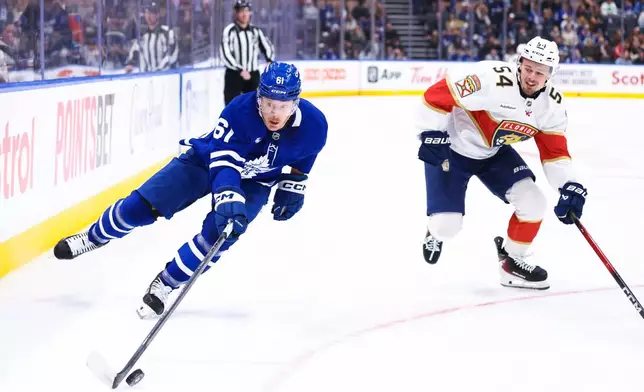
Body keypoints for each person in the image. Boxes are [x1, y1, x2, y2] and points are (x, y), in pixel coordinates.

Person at [53, 62, 328, 317]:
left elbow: (306, 154)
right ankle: (94, 236)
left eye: (281, 106)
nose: (273, 113)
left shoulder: (315, 125)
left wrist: (295, 184)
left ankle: (166, 283)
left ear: (295, 102)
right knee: (140, 207)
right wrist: (227, 196)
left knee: (221, 235)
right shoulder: (239, 112)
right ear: (259, 98)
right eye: (268, 104)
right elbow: (224, 165)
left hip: (255, 181)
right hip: (206, 162)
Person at [416, 36, 587, 290]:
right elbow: (436, 96)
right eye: (528, 68)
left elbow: (554, 152)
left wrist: (569, 185)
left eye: (539, 72)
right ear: (519, 63)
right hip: (451, 151)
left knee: (534, 203)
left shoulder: (551, 106)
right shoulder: (490, 78)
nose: (531, 77)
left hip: (494, 153)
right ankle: (435, 233)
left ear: (551, 74)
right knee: (447, 227)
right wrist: (430, 133)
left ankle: (511, 263)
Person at [220, 0, 275, 105]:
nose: (244, 14)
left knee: (255, 107)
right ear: (236, 13)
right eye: (241, 11)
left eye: (247, 11)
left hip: (253, 74)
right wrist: (240, 69)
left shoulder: (255, 31)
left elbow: (268, 47)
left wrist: (269, 60)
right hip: (234, 74)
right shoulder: (230, 31)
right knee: (232, 107)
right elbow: (225, 54)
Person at [125, 1, 178, 73]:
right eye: (146, 12)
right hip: (147, 78)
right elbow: (135, 52)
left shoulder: (167, 33)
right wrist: (130, 64)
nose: (148, 16)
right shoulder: (143, 37)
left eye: (151, 13)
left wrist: (158, 71)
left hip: (166, 77)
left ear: (158, 15)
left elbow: (172, 55)